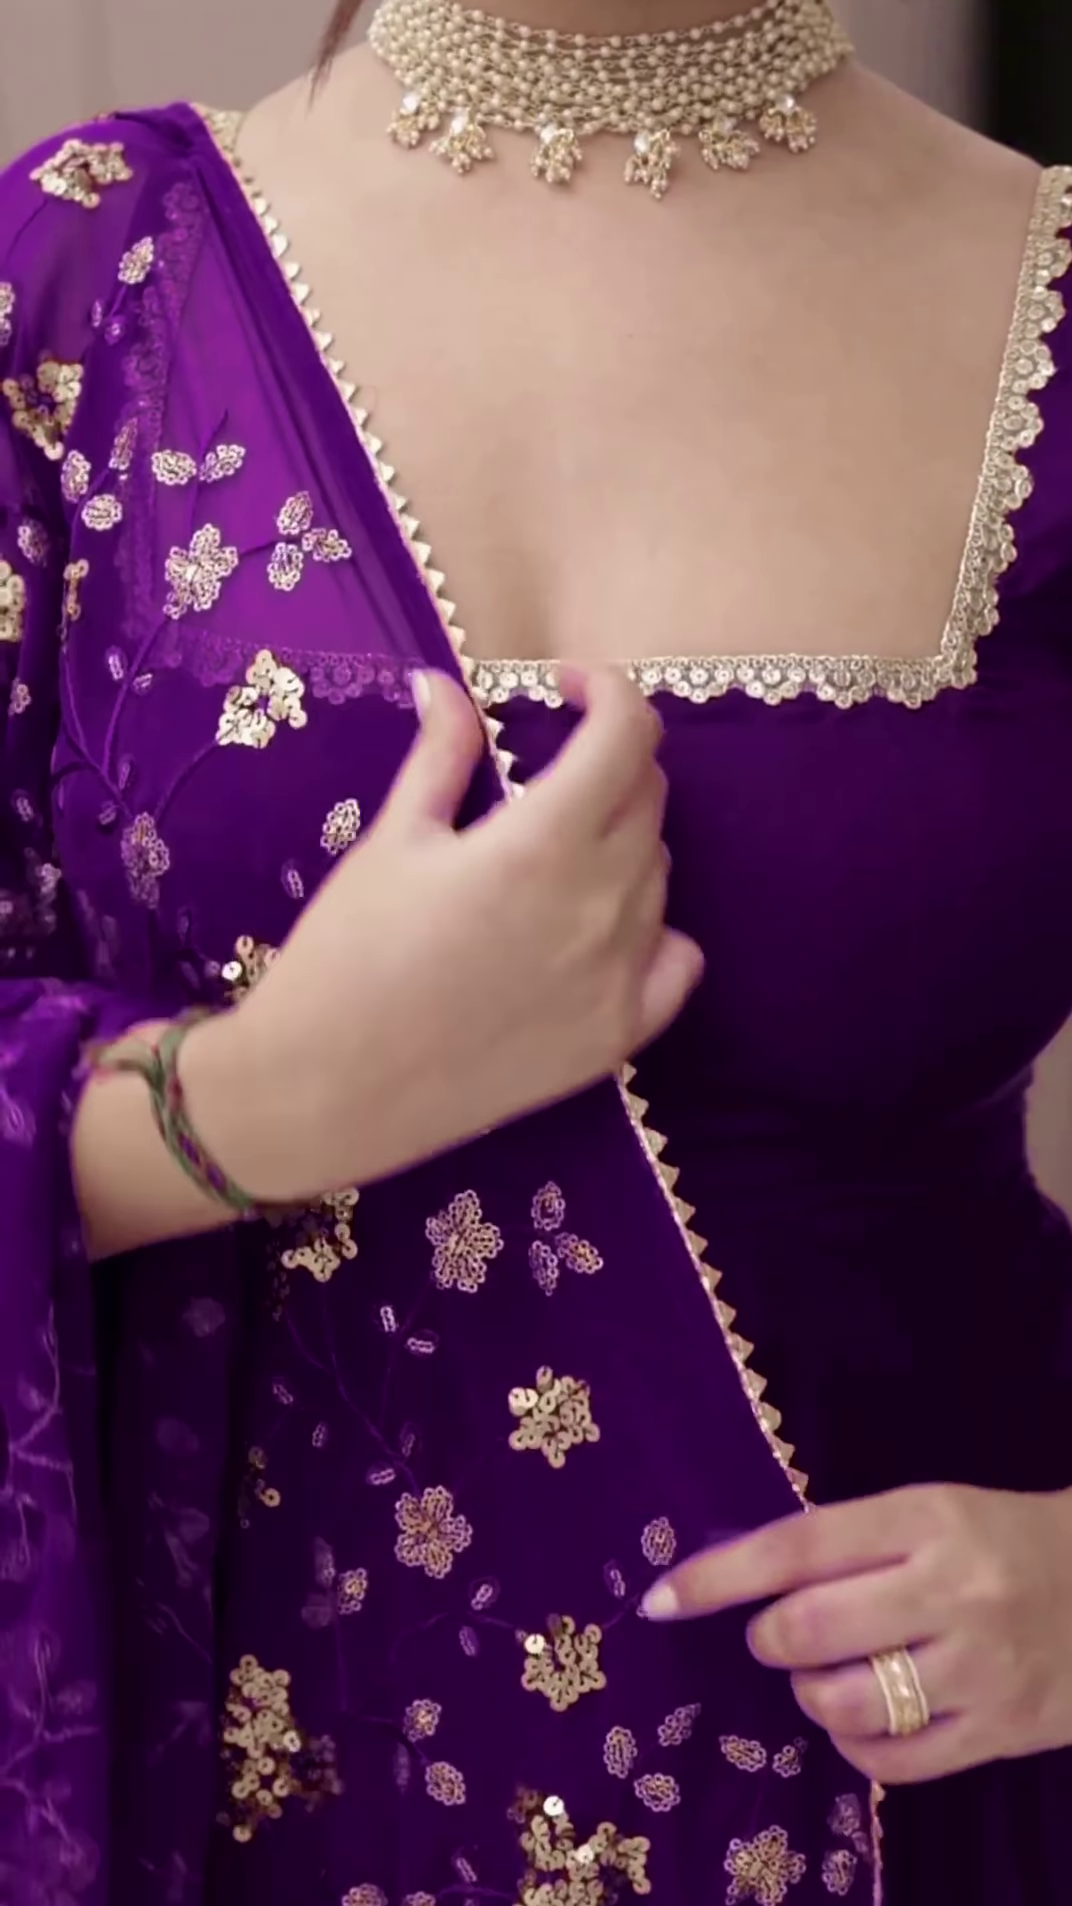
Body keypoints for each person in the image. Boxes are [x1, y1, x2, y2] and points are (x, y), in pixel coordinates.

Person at [2, 0, 1072, 1898]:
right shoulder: (85, 281)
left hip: (933, 1785)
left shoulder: (1044, 297)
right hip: (250, 1809)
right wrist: (247, 1106)